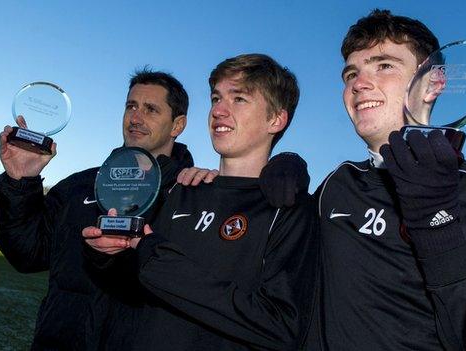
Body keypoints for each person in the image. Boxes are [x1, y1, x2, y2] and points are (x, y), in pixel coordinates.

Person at [306, 9, 466, 350]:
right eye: (350, 74)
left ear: (433, 82)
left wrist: (437, 228)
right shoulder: (337, 184)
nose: (358, 84)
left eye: (384, 65)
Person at [83, 53, 319, 350]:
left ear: (276, 119)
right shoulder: (180, 190)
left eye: (239, 99)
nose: (219, 110)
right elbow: (133, 292)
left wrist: (156, 261)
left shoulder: (289, 210)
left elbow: (281, 325)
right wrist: (106, 256)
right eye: (216, 98)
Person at [0, 69, 193, 350]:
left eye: (151, 109)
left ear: (177, 125)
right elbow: (26, 254)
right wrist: (20, 181)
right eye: (131, 106)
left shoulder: (192, 198)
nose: (136, 118)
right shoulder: (79, 186)